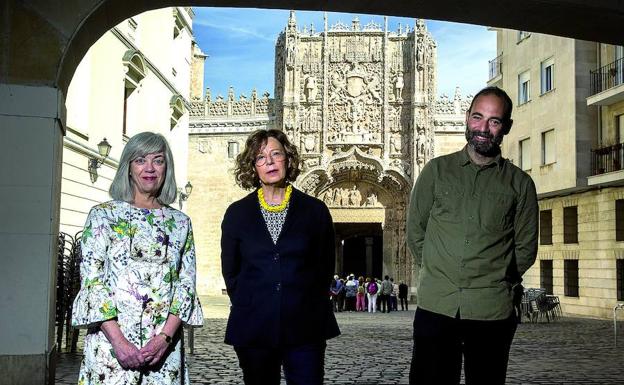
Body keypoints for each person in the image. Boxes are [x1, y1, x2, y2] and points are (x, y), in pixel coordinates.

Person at [406, 86, 538, 385]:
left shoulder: (520, 184)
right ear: (467, 118)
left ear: (506, 127)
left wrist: (494, 279)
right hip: (436, 307)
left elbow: (525, 248)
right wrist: (438, 273)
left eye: (494, 121)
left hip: (491, 311)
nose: (483, 127)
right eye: (478, 117)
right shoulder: (436, 171)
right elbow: (415, 233)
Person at [71, 132, 204, 385]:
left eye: (158, 160)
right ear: (128, 168)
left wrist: (164, 339)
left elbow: (185, 286)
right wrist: (119, 343)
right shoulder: (103, 217)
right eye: (140, 160)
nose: (150, 168)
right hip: (110, 349)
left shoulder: (181, 223)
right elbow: (92, 282)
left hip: (164, 352)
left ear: (167, 168)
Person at [221, 129, 340, 385]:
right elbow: (231, 271)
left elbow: (324, 268)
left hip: (305, 326)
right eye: (261, 157)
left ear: (288, 159)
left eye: (276, 154)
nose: (270, 162)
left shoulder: (314, 211)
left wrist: (306, 302)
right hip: (254, 326)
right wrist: (250, 302)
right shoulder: (237, 213)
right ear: (253, 167)